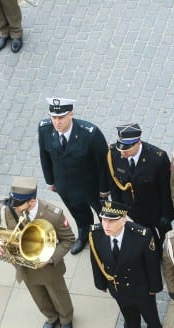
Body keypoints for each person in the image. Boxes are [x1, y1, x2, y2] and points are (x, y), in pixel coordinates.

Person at [0, 176, 76, 328]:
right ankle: (51, 317)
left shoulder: (53, 214)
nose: (13, 207)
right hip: (24, 266)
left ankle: (66, 319)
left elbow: (68, 240)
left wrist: (50, 259)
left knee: (58, 295)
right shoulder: (7, 208)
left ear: (32, 201)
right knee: (38, 297)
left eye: (18, 204)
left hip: (48, 266)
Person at [89, 200, 164, 328]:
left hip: (141, 287)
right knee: (126, 311)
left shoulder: (142, 236)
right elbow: (95, 260)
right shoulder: (96, 234)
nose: (106, 225)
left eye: (111, 221)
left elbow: (152, 265)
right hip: (117, 287)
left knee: (149, 312)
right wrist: (101, 283)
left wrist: (154, 287)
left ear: (123, 220)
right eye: (104, 219)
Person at [38, 97, 109, 255]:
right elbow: (44, 156)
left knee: (105, 215)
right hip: (66, 186)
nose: (57, 122)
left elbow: (103, 164)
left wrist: (104, 189)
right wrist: (50, 181)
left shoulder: (90, 134)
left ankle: (108, 238)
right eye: (53, 117)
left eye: (61, 117)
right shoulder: (44, 129)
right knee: (80, 215)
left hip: (91, 186)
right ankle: (84, 234)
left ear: (71, 114)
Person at [107, 123, 173, 249]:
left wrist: (167, 215)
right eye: (120, 149)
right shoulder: (113, 153)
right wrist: (118, 210)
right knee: (145, 238)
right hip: (132, 211)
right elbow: (114, 185)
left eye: (126, 150)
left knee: (166, 237)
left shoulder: (157, 158)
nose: (122, 154)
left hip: (155, 210)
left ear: (138, 143)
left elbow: (166, 190)